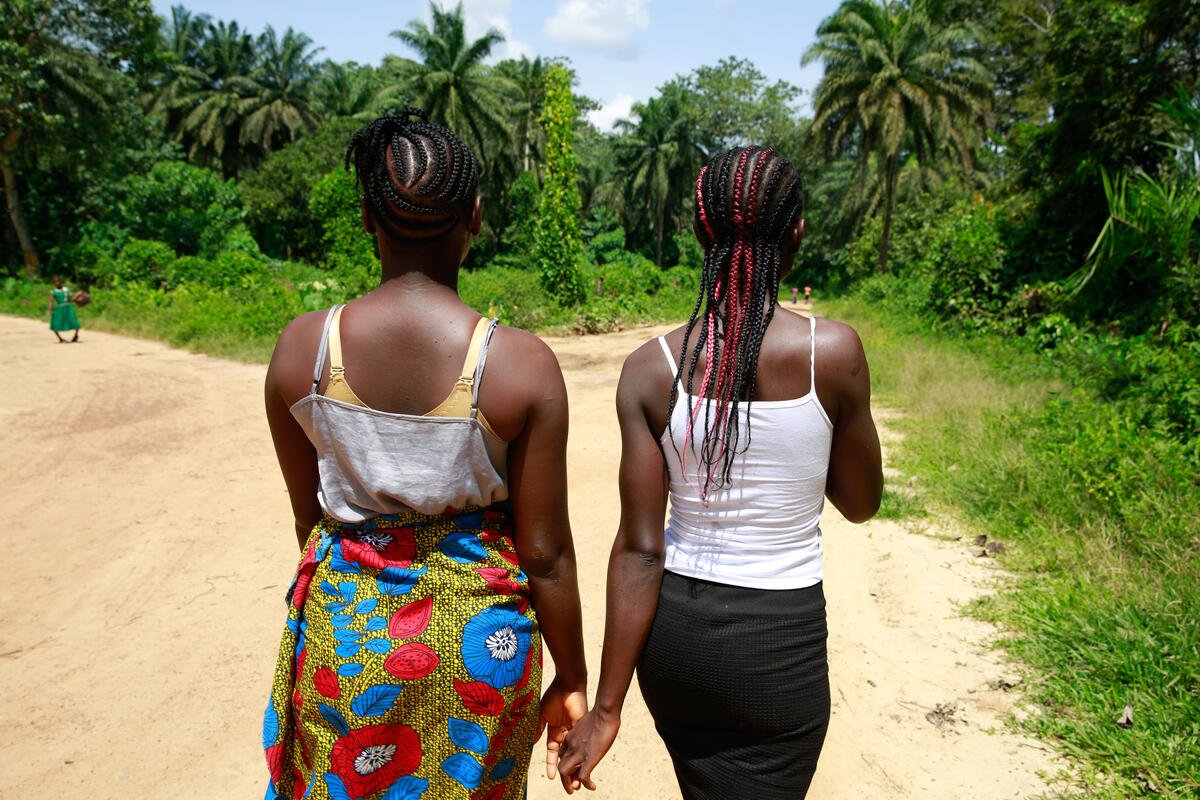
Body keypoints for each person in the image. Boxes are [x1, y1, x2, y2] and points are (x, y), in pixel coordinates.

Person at [260, 109, 588, 800]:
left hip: (348, 639)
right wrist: (573, 675)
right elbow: (547, 552)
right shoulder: (519, 365)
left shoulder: (303, 352)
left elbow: (308, 519)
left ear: (365, 219)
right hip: (481, 649)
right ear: (475, 215)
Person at [556, 145, 883, 799]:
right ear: (797, 232)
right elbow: (861, 502)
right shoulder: (833, 354)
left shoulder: (650, 369)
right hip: (777, 652)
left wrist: (608, 708)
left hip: (678, 647)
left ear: (701, 233)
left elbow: (641, 549)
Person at [47, 276, 80, 342]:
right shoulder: (53, 291)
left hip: (68, 308)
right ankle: (60, 338)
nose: (57, 283)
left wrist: (77, 296)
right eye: (55, 282)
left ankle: (76, 335)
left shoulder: (67, 290)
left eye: (58, 281)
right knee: (55, 323)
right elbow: (51, 301)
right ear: (53, 283)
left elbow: (71, 299)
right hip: (60, 308)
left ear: (61, 281)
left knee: (74, 321)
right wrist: (49, 310)